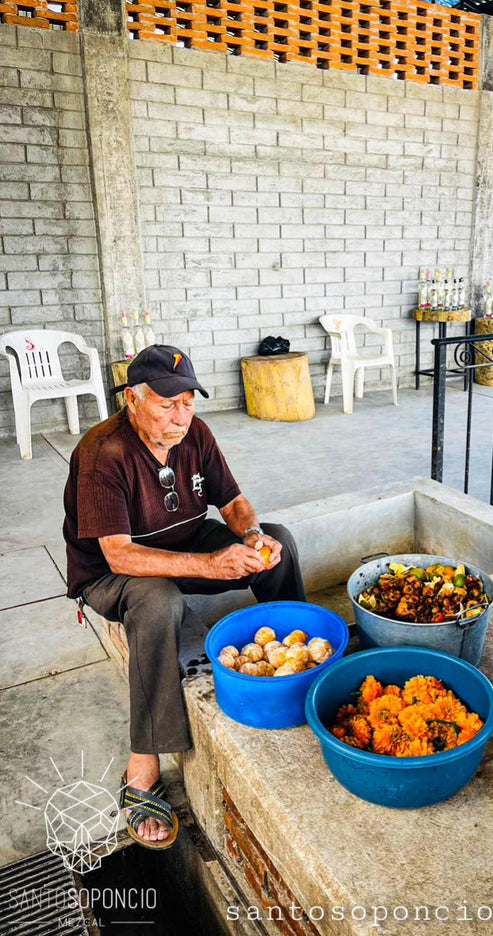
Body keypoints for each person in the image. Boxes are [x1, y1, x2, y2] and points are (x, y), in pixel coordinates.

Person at [63, 345, 306, 849]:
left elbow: (234, 502)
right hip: (115, 571)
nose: (181, 416)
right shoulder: (101, 453)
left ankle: (300, 659)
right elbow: (119, 556)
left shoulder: (194, 431)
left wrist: (254, 536)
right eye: (167, 403)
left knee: (279, 541)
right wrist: (211, 565)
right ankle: (144, 765)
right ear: (133, 399)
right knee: (158, 600)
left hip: (187, 542)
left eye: (189, 402)